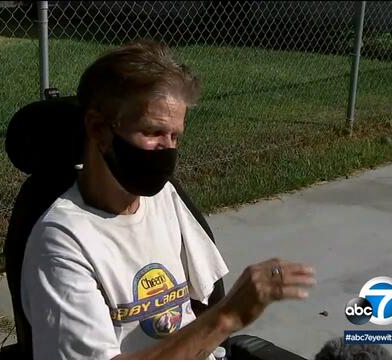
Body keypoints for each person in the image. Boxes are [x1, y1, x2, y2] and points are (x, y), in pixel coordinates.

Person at [20, 39, 317, 360]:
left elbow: (203, 298)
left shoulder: (164, 197)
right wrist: (228, 317)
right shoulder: (62, 240)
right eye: (153, 132)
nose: (168, 149)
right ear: (98, 129)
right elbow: (218, 314)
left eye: (175, 136)